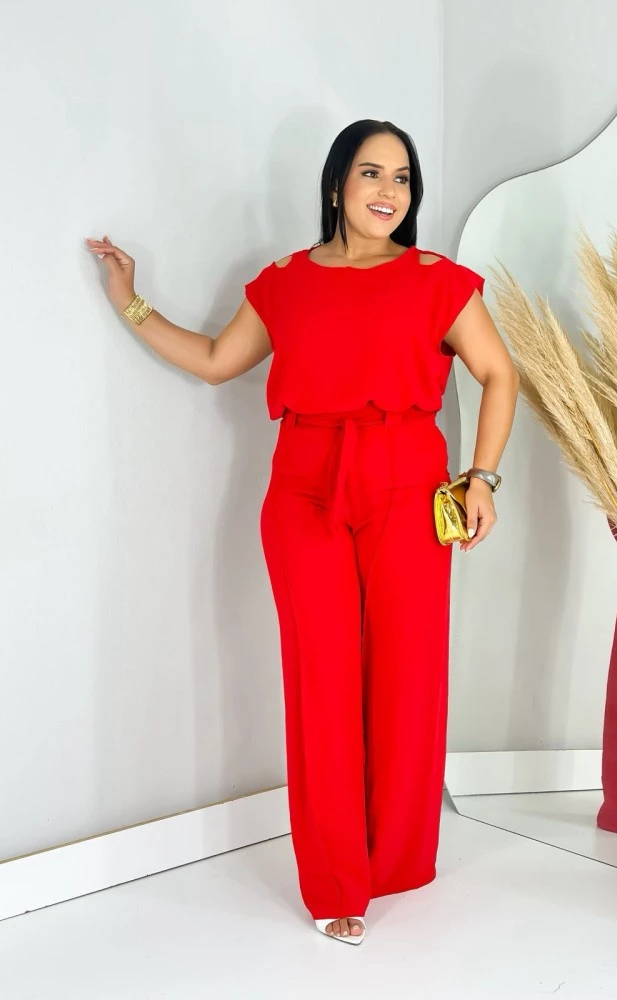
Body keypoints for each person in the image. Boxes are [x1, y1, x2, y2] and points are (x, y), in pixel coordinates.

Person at [85, 118, 519, 945]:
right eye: (371, 173)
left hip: (407, 485)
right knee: (321, 683)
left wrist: (483, 477)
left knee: (407, 676)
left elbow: (499, 373)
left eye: (402, 177)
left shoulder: (437, 280)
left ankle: (395, 860)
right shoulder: (284, 283)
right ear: (335, 185)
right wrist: (129, 300)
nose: (389, 191)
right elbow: (215, 359)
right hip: (303, 488)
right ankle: (335, 881)